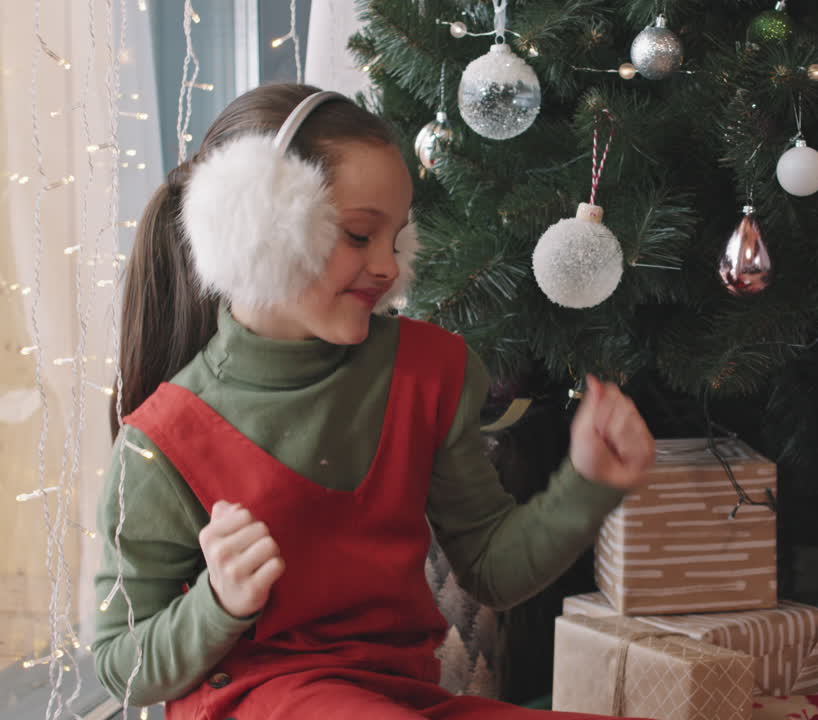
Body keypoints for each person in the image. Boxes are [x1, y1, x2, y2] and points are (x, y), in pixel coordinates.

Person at [94, 83, 656, 719]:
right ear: (253, 227)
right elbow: (122, 668)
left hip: (396, 695)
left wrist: (588, 484)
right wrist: (217, 603)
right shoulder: (162, 440)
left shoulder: (426, 371)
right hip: (257, 702)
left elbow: (490, 568)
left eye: (397, 237)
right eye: (360, 234)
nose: (388, 266)